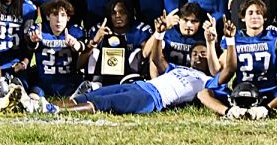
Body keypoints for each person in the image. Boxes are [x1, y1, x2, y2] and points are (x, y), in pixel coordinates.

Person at [60, 16, 216, 115]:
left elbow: (221, 75)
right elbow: (157, 59)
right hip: (139, 85)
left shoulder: (208, 80)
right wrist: (159, 34)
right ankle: (47, 106)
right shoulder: (180, 69)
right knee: (89, 96)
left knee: (104, 103)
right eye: (195, 53)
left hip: (151, 98)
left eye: (203, 53)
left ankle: (57, 111)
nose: (198, 57)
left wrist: (211, 42)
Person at [195, 0, 277, 119]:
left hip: (269, 91)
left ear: (265, 18)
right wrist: (210, 43)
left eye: (258, 13)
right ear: (243, 17)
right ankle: (229, 112)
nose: (255, 16)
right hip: (240, 93)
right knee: (204, 93)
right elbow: (217, 71)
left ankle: (266, 109)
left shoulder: (274, 36)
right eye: (250, 13)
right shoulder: (235, 37)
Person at [75, 0, 151, 96]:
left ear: (129, 13)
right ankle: (93, 86)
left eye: (122, 12)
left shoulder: (140, 30)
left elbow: (147, 54)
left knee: (137, 53)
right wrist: (95, 41)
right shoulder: (99, 30)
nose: (118, 16)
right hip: (101, 77)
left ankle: (133, 84)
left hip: (128, 75)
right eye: (113, 13)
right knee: (95, 52)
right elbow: (79, 65)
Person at [23, 0, 86, 105]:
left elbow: (83, 47)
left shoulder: (74, 31)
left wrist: (75, 44)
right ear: (48, 16)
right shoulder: (40, 31)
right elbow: (31, 45)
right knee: (32, 100)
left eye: (63, 15)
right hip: (44, 82)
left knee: (77, 100)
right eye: (55, 14)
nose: (59, 19)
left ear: (68, 18)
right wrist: (33, 40)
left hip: (67, 83)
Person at [143, 3, 208, 67]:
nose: (189, 25)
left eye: (194, 21)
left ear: (200, 23)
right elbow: (145, 53)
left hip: (192, 72)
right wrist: (159, 32)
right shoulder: (168, 31)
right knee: (154, 54)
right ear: (178, 19)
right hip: (167, 70)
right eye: (185, 20)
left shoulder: (204, 36)